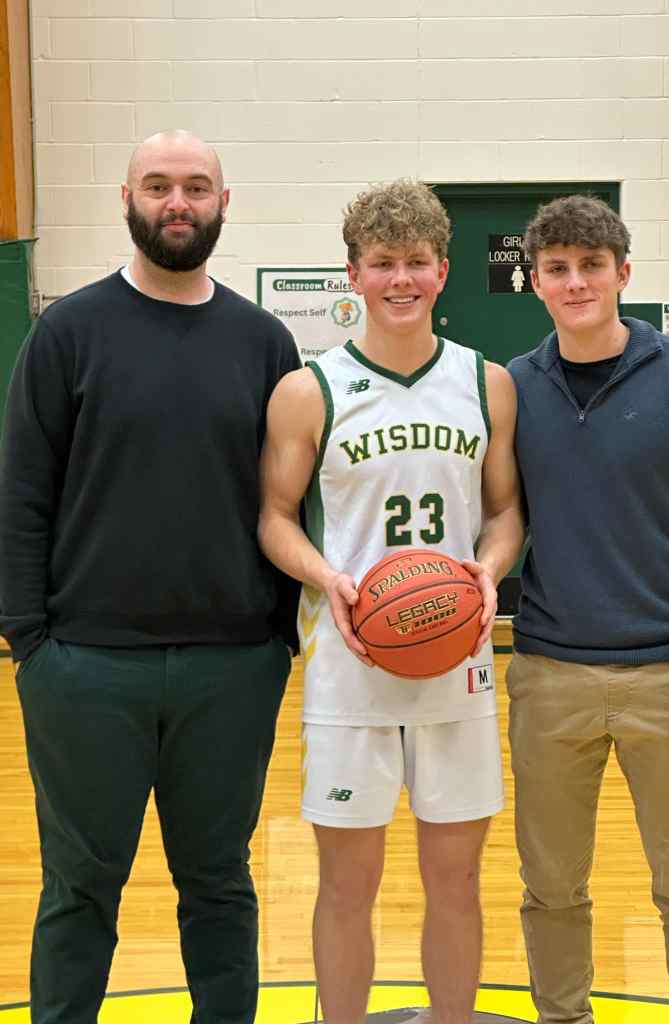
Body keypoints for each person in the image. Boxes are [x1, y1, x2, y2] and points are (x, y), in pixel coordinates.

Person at [0, 130, 301, 1024]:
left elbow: (290, 500)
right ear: (126, 199)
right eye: (159, 185)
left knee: (220, 884)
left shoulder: (263, 342)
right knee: (79, 888)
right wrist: (31, 643)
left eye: (197, 187)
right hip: (85, 667)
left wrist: (275, 638)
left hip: (232, 668)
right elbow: (21, 492)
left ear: (223, 203)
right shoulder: (68, 332)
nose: (178, 202)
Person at [258, 180, 525, 1024]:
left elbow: (506, 511)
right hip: (349, 667)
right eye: (382, 263)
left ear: (443, 270)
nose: (400, 279)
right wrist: (326, 577)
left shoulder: (487, 385)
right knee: (347, 884)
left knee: (456, 877)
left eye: (416, 262)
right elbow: (273, 517)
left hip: (458, 661)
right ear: (353, 274)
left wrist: (488, 570)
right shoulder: (310, 390)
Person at [505, 194, 669, 1024]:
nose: (575, 282)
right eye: (557, 268)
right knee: (550, 887)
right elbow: (499, 519)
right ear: (535, 280)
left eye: (591, 266)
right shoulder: (514, 388)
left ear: (624, 272)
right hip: (549, 674)